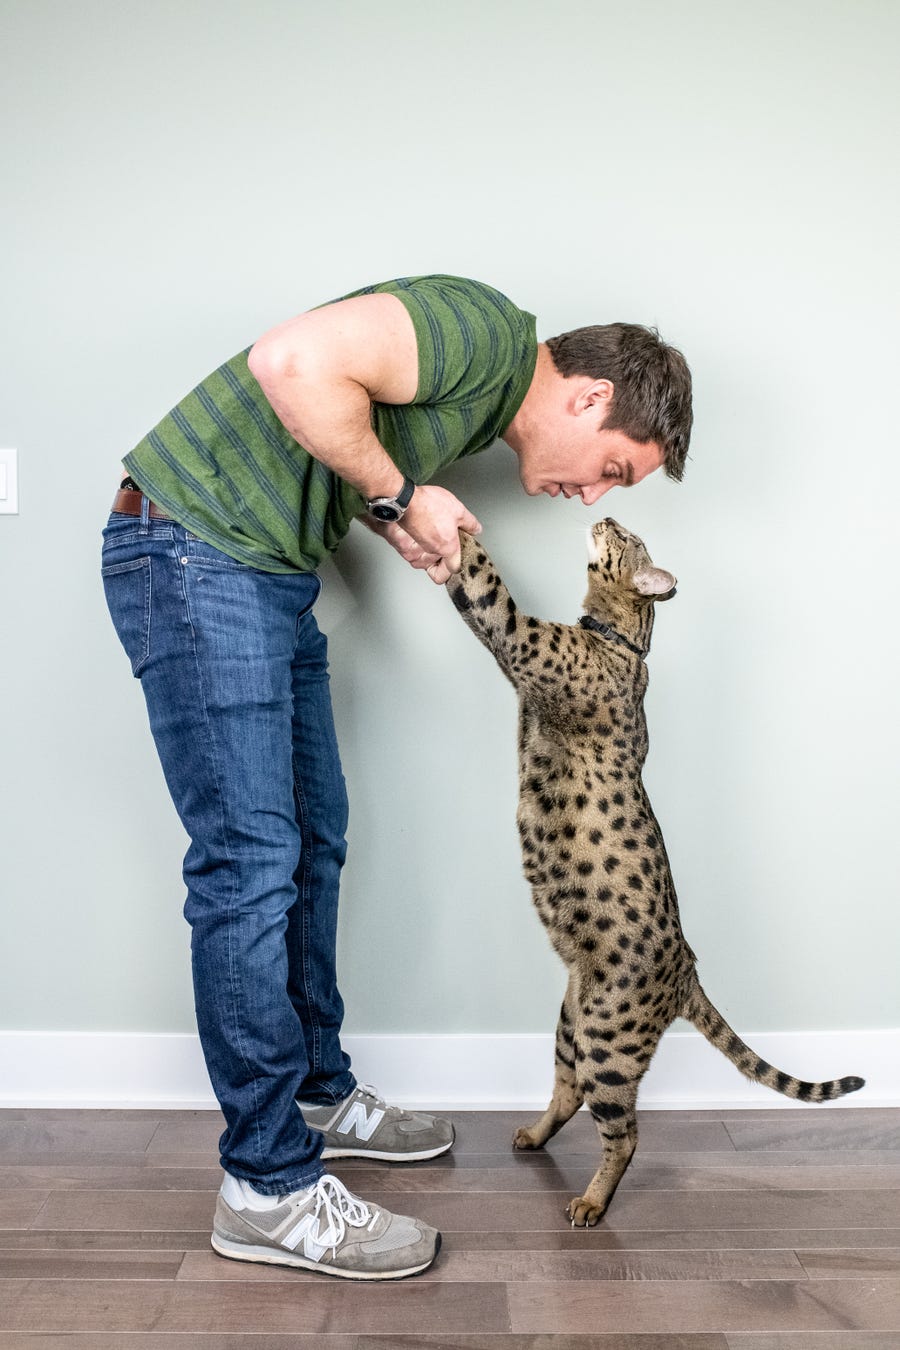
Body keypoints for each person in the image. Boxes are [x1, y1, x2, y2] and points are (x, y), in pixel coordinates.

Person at [101, 274, 692, 1279]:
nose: (590, 494)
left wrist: (391, 512)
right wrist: (404, 492)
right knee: (248, 868)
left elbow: (330, 424)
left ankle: (318, 1094)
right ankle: (266, 1187)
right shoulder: (482, 331)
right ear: (591, 399)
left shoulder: (475, 396)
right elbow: (289, 363)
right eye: (613, 471)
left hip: (263, 573)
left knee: (312, 844)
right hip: (196, 557)